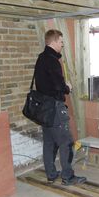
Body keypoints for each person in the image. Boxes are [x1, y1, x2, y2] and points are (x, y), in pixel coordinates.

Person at [35, 29, 86, 186]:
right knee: (66, 142)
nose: (62, 45)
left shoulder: (41, 58)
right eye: (61, 42)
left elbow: (43, 83)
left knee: (49, 142)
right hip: (55, 107)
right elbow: (58, 85)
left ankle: (51, 174)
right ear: (54, 41)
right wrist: (67, 87)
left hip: (44, 108)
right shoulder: (52, 60)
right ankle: (67, 177)